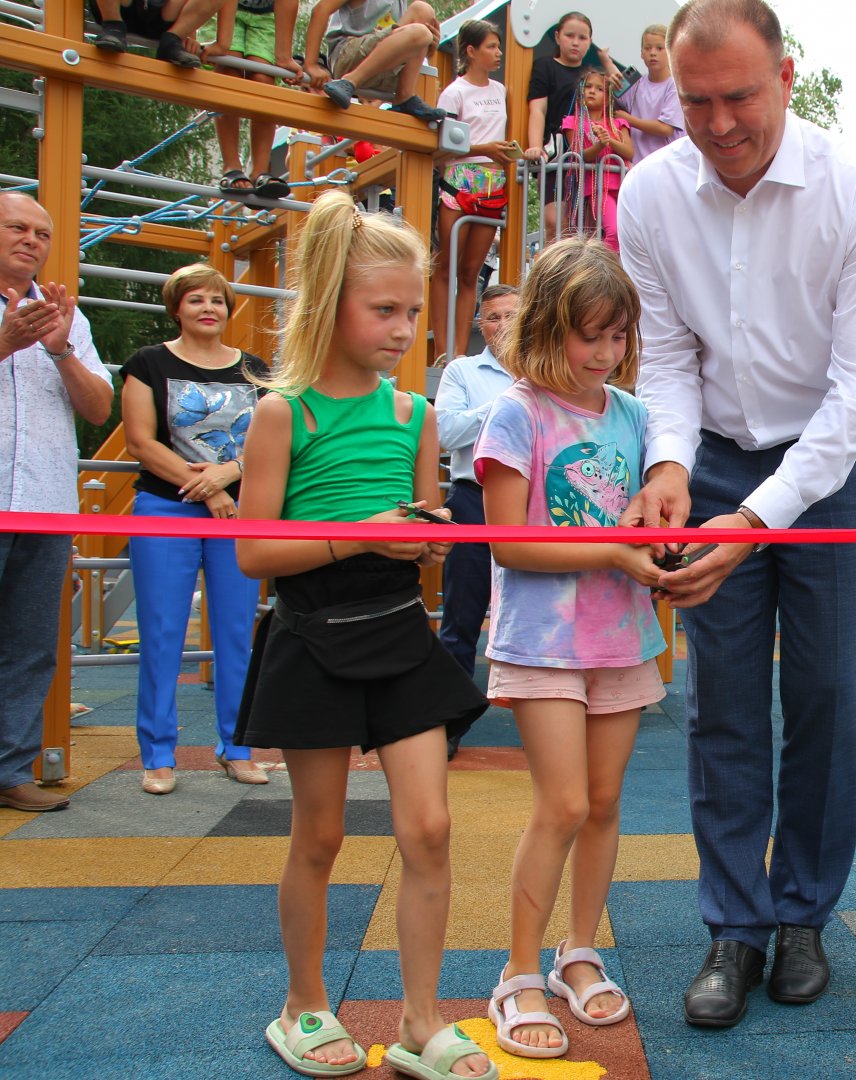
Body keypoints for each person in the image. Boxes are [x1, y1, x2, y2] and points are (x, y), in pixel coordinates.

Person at [618, 0, 856, 1029]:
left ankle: (802, 915)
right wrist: (667, 462)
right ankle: (733, 928)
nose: (715, 124)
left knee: (831, 694)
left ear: (786, 76)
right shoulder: (649, 193)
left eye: (737, 96)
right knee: (721, 702)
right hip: (709, 463)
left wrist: (755, 517)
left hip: (834, 471)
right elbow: (663, 355)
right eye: (694, 101)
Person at [232, 191, 491, 1080]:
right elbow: (253, 554)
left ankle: (422, 1020)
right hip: (312, 630)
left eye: (412, 311)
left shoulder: (416, 416)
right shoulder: (283, 413)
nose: (402, 327)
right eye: (384, 309)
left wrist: (424, 540)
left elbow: (420, 540)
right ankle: (303, 1005)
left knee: (429, 827)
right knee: (321, 833)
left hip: (396, 627)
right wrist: (365, 533)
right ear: (331, 302)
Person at [475, 237, 665, 1059]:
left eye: (616, 335)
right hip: (544, 641)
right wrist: (616, 553)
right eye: (589, 334)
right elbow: (510, 544)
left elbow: (651, 503)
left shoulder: (633, 415)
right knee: (560, 806)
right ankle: (518, 971)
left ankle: (576, 952)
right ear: (548, 329)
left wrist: (653, 541)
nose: (604, 353)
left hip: (620, 635)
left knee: (603, 802)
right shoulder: (516, 411)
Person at [121, 264, 268, 796]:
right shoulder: (148, 363)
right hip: (167, 508)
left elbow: (269, 441)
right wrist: (210, 489)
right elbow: (141, 442)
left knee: (236, 633)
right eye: (196, 300)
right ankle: (158, 754)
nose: (209, 308)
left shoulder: (255, 369)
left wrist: (230, 475)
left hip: (236, 513)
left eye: (218, 301)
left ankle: (239, 746)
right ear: (176, 307)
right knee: (161, 632)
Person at [0, 192, 114, 814]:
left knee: (31, 644)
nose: (31, 240)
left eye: (42, 233)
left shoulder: (67, 316)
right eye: (17, 227)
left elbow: (98, 409)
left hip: (44, 502)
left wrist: (59, 348)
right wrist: (4, 341)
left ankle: (10, 769)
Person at [435, 284, 520, 699]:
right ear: (481, 325)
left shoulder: (547, 367)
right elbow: (447, 431)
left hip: (529, 501)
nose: (502, 325)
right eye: (493, 317)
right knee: (462, 612)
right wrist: (512, 403)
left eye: (511, 314)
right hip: (473, 497)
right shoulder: (463, 371)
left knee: (534, 611)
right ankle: (448, 720)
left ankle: (541, 713)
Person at [430, 18, 519, 364]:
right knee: (446, 265)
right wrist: (485, 148)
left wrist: (503, 151)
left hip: (493, 180)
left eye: (498, 47)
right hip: (460, 177)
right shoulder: (454, 92)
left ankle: (457, 353)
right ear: (471, 51)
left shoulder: (500, 91)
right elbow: (444, 145)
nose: (497, 53)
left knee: (471, 271)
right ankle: (441, 350)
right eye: (491, 47)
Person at [523, 12, 621, 242]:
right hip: (559, 153)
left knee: (585, 227)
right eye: (569, 35)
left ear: (590, 41)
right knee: (555, 222)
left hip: (589, 157)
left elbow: (617, 102)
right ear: (557, 37)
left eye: (582, 37)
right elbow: (538, 109)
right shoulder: (546, 66)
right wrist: (535, 147)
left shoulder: (591, 76)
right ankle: (550, 275)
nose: (575, 42)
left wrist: (606, 62)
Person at [204, 0, 300, 200]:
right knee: (229, 72)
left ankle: (260, 170)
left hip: (266, 15)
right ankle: (231, 165)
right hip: (225, 6)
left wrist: (284, 56)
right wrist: (222, 43)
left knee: (263, 82)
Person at [303, 0, 449, 122]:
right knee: (421, 29)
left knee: (423, 12)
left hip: (384, 68)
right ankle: (350, 81)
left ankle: (405, 95)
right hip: (348, 57)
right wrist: (311, 64)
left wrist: (428, 46)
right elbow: (321, 10)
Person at [559, 67, 634, 251]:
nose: (592, 91)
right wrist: (600, 145)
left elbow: (629, 152)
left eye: (600, 89)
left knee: (624, 232)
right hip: (597, 188)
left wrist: (608, 140)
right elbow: (580, 154)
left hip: (623, 186)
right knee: (613, 232)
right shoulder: (573, 121)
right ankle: (607, 272)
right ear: (581, 92)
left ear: (608, 98)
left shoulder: (617, 123)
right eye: (588, 86)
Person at [617, 24, 684, 164]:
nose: (653, 53)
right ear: (641, 53)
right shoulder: (636, 84)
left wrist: (630, 120)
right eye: (648, 48)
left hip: (667, 165)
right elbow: (612, 99)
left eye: (660, 48)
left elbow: (665, 128)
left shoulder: (675, 85)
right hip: (637, 166)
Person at [90, 0, 229, 67]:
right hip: (118, 8)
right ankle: (113, 24)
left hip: (163, 16)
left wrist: (188, 34)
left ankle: (173, 40)